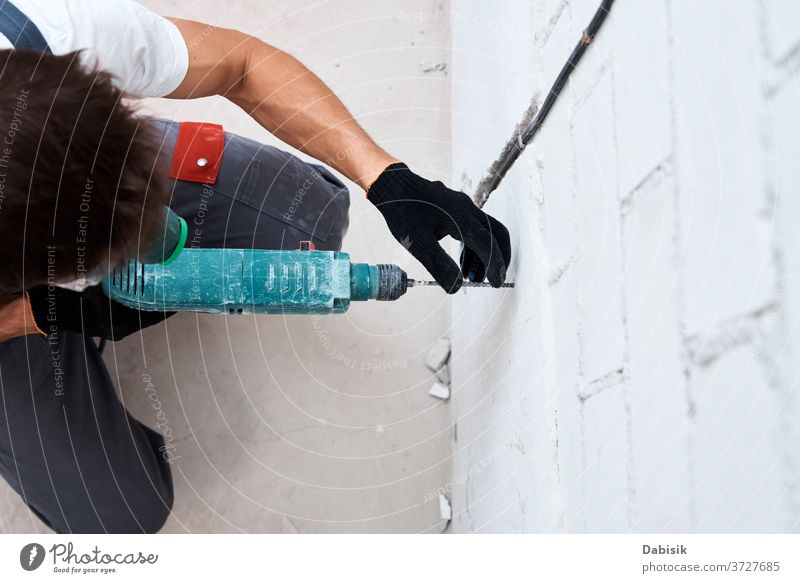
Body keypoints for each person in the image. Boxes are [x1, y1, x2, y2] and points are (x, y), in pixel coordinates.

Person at [0, 0, 511, 533]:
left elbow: (242, 64)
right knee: (120, 517)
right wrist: (42, 314)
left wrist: (387, 179)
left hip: (47, 190)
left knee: (309, 223)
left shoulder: (53, 36)